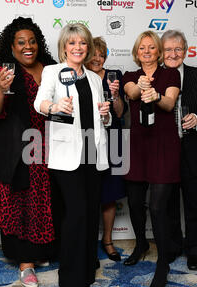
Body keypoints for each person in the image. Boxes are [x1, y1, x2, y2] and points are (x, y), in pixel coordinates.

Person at [34, 23, 111, 287]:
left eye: (82, 43)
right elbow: (39, 103)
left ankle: (87, 269)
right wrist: (54, 107)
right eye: (72, 43)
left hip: (92, 153)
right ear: (64, 47)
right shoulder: (52, 72)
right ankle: (70, 277)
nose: (78, 48)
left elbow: (104, 118)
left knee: (91, 214)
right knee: (76, 214)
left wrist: (105, 113)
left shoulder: (93, 78)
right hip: (67, 157)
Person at [0, 17, 58, 287]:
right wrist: (2, 89)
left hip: (51, 147)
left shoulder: (52, 69)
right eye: (21, 42)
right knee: (21, 202)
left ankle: (41, 254)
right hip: (18, 149)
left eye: (32, 41)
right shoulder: (2, 74)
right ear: (11, 47)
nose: (28, 46)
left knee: (44, 202)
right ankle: (25, 263)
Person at [121, 30, 180, 287]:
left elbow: (169, 102)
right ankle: (141, 244)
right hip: (137, 146)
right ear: (137, 52)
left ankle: (163, 263)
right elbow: (131, 93)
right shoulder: (130, 76)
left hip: (163, 145)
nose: (146, 51)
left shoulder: (171, 74)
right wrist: (141, 87)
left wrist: (155, 95)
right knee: (134, 202)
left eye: (151, 47)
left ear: (159, 51)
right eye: (141, 47)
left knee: (157, 207)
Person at [161, 30, 197, 271]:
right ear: (161, 52)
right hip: (164, 153)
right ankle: (173, 247)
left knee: (194, 204)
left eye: (178, 49)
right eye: (168, 49)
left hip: (193, 151)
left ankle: (194, 250)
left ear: (185, 50)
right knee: (169, 205)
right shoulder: (154, 76)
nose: (173, 54)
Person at [85, 36, 127, 262]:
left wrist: (116, 95)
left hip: (113, 138)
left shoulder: (115, 76)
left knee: (109, 194)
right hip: (87, 139)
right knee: (88, 193)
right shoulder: (79, 76)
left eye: (102, 55)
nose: (97, 58)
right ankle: (87, 241)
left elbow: (120, 113)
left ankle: (108, 240)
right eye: (94, 54)